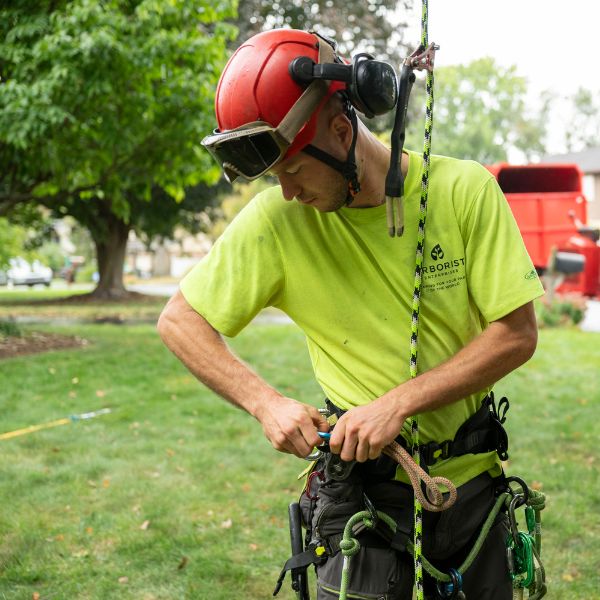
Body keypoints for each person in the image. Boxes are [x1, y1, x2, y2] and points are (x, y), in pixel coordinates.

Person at [158, 28, 544, 600]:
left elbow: (515, 335)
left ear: (342, 131)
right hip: (363, 500)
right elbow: (179, 320)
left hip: (470, 493)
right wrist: (265, 402)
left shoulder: (464, 192)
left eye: (292, 172)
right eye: (274, 178)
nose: (286, 193)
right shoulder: (276, 224)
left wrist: (399, 404)